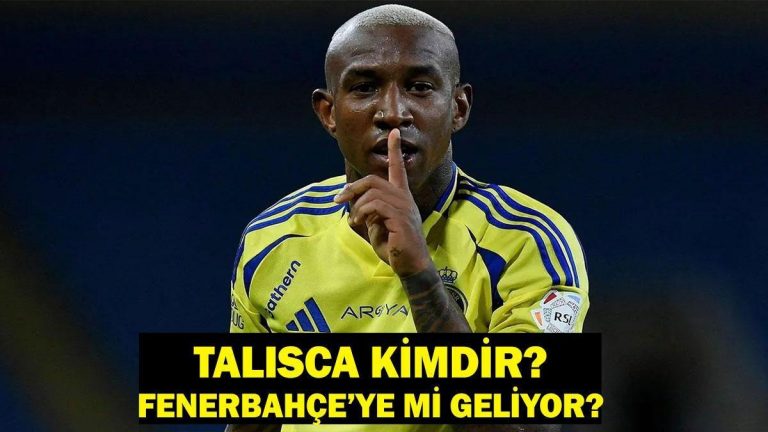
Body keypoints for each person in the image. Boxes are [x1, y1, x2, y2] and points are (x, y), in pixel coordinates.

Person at [227, 4, 589, 432]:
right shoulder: (271, 239)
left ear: (458, 108)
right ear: (329, 113)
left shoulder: (527, 240)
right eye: (364, 88)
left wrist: (420, 274)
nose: (393, 112)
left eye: (419, 87)